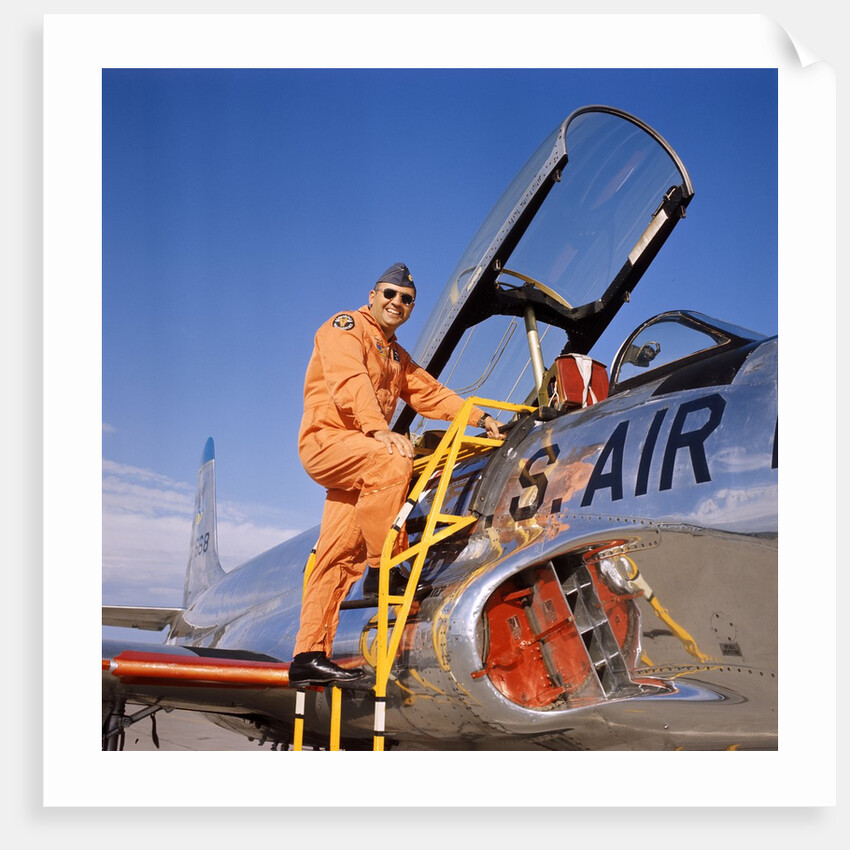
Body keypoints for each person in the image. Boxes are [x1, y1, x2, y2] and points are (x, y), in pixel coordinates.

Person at [288, 263, 504, 687]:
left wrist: (480, 417)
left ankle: (307, 657)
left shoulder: (395, 355)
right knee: (394, 458)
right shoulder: (344, 327)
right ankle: (383, 567)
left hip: (361, 459)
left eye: (406, 299)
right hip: (329, 441)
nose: (397, 303)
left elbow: (429, 391)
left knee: (335, 556)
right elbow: (349, 381)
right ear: (372, 295)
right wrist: (378, 429)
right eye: (389, 294)